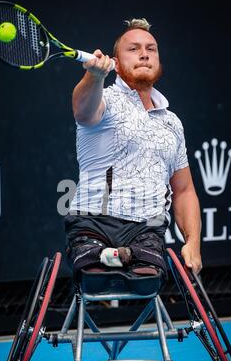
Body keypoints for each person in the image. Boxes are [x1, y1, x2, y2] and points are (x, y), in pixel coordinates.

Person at [64, 18, 202, 282]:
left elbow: (184, 191)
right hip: (92, 222)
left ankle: (126, 255)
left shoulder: (171, 122)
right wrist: (93, 77)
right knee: (94, 275)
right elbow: (82, 110)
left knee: (146, 277)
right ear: (115, 61)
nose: (144, 54)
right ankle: (106, 255)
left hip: (147, 229)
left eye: (151, 49)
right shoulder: (103, 98)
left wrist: (193, 243)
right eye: (134, 49)